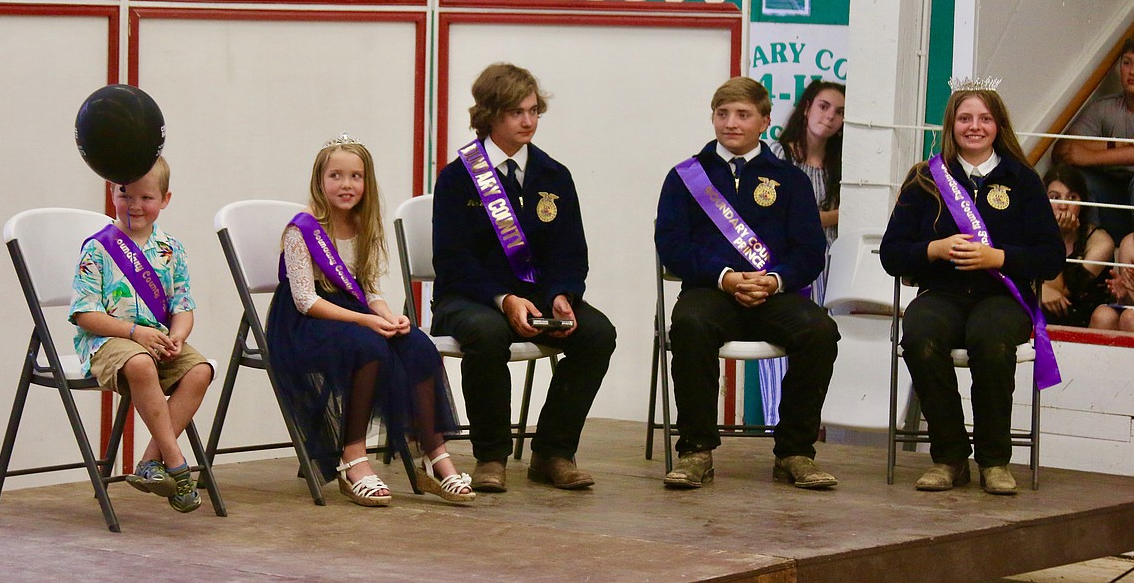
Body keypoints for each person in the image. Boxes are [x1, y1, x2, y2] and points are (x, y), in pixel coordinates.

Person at [431, 63, 616, 492]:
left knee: (597, 334)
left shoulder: (555, 176)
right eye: (517, 112)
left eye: (534, 110)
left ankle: (553, 452)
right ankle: (490, 456)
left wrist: (562, 296)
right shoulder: (459, 178)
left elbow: (571, 254)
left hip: (540, 300)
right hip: (470, 299)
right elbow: (453, 261)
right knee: (487, 333)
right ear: (490, 114)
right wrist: (503, 298)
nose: (529, 121)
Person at [265, 135, 474, 507]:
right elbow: (304, 299)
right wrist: (365, 322)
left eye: (356, 176)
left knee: (418, 346)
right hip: (305, 322)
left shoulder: (362, 226)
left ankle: (433, 453)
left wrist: (388, 315)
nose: (347, 185)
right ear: (320, 179)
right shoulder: (302, 229)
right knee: (370, 346)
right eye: (336, 175)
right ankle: (353, 456)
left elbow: (368, 288)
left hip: (351, 312)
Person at [654, 76, 840, 490]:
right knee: (690, 325)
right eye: (722, 114)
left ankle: (795, 452)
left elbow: (810, 251)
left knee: (821, 331)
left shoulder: (790, 181)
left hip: (774, 295)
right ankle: (695, 451)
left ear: (765, 121)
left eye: (743, 115)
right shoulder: (686, 177)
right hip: (710, 292)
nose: (731, 123)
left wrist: (774, 281)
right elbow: (671, 245)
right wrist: (724, 277)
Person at [880, 79, 1063, 495]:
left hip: (1001, 298)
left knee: (992, 339)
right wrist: (934, 249)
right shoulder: (924, 180)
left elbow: (1051, 257)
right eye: (965, 118)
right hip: (940, 295)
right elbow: (892, 253)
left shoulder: (1023, 180)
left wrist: (998, 258)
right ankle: (949, 457)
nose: (974, 126)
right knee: (920, 334)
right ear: (951, 125)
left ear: (998, 125)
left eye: (984, 118)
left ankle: (995, 460)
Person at [70, 157, 212, 513]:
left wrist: (178, 336)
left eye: (146, 198)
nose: (135, 205)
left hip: (157, 342)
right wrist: (134, 333)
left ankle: (150, 462)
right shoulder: (98, 247)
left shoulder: (172, 250)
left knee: (200, 371)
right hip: (108, 342)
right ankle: (177, 464)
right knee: (141, 364)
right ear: (112, 192)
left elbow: (183, 304)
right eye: (125, 194)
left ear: (165, 199)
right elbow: (84, 313)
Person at [760, 80, 846, 424]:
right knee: (778, 350)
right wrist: (836, 216)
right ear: (807, 106)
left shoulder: (842, 165)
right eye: (824, 106)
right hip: (785, 266)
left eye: (839, 112)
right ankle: (775, 425)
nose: (830, 116)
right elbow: (782, 219)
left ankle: (808, 428)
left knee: (818, 346)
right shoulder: (778, 155)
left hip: (829, 269)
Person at [1052, 37, 1134, 242]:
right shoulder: (1104, 108)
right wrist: (1115, 144)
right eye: (1127, 63)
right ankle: (1090, 245)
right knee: (1079, 177)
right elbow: (1061, 149)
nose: (1132, 71)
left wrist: (1088, 157)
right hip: (1115, 203)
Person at [1039, 164, 1114, 328]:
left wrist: (1058, 235)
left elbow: (1062, 295)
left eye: (1072, 197)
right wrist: (1040, 291)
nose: (1063, 205)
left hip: (1085, 318)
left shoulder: (1101, 241)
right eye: (1055, 197)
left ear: (1082, 203)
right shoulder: (1033, 233)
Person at [1089, 231, 1134, 331]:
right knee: (1103, 317)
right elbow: (1130, 304)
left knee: (1130, 319)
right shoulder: (1129, 243)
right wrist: (1125, 294)